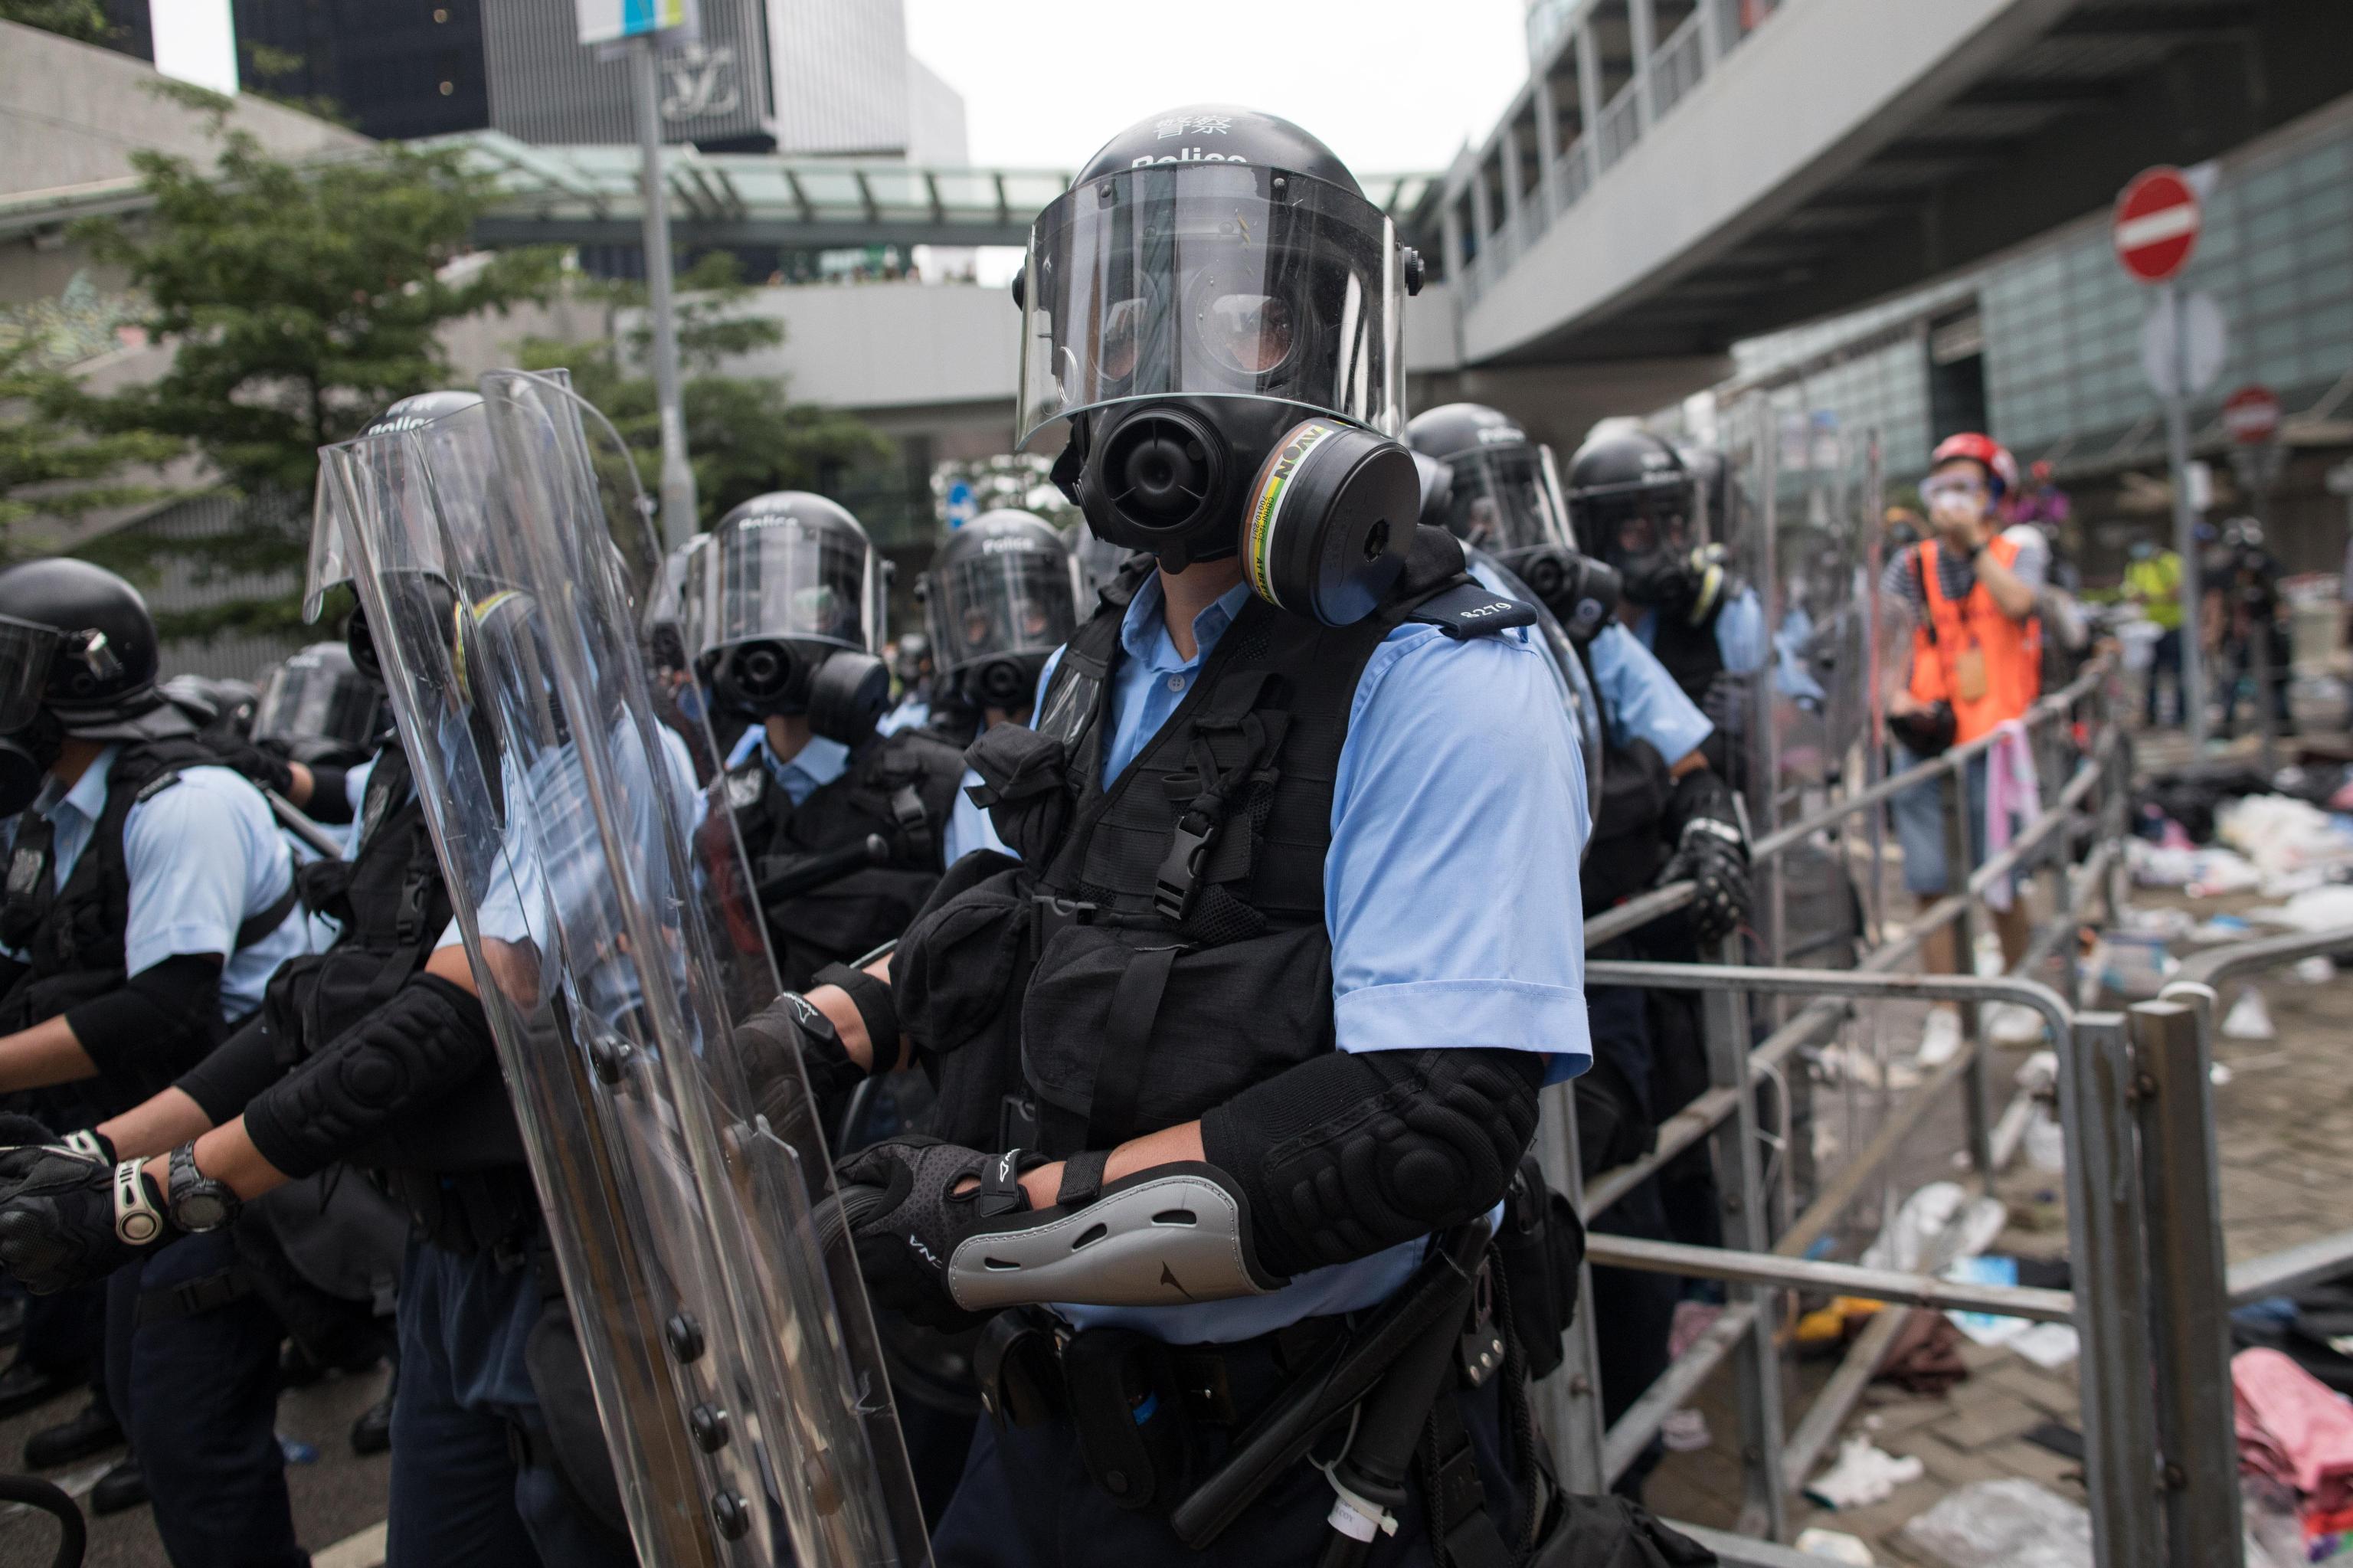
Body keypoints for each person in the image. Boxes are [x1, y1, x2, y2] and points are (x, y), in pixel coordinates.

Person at [746, 106, 1600, 1566]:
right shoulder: (1104, 652)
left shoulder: (1445, 670)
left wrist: (978, 1235)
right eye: (1124, 321)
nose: (1169, 370)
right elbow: (1007, 925)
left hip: (1300, 1453)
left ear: (1329, 351)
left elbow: (1427, 1119)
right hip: (1051, 1437)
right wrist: (805, 1032)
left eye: (1242, 320)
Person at [0, 392, 640, 1568]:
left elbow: (454, 1016)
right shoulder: (428, 761)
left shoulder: (597, 751)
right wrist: (104, 1157)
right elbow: (317, 1002)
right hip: (445, 1248)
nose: (380, 621)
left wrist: (173, 1190)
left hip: (574, 1253)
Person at [1407, 400, 1749, 1495]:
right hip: (1480, 989)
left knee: (1618, 1203)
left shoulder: (1590, 628)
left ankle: (1628, 1463)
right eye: (1481, 510)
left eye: (1522, 501)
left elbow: (1695, 756)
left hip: (1601, 980)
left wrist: (1702, 817)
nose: (1513, 533)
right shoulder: (1413, 643)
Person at [0, 556, 313, 1561]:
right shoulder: (51, 813)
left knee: (188, 1423)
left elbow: (165, 1006)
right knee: (146, 1390)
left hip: (232, 1127)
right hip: (141, 1130)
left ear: (75, 680)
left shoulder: (182, 801)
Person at [694, 491, 968, 991]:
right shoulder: (717, 810)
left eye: (809, 606)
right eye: (749, 608)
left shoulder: (945, 788)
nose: (772, 630)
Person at [1883, 432, 2046, 1058]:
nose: (1949, 499)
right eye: (1941, 486)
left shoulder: (2018, 547)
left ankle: (2023, 987)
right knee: (1928, 879)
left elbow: (2020, 603)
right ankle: (1946, 1010)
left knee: (2003, 878)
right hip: (1926, 741)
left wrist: (1974, 545)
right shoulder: (1910, 563)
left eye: (1965, 487)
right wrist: (1895, 698)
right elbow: (1887, 645)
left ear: (1993, 495)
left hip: (1996, 745)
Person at [1566, 424, 1767, 781]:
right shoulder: (1568, 631)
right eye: (1636, 533)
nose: (1666, 551)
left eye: (1674, 528)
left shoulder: (1727, 612)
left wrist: (1765, 714)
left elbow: (1798, 742)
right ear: (1593, 536)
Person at [923, 508, 1086, 866]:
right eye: (977, 621)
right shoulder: (932, 767)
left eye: (1029, 615)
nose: (1002, 635)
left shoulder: (1089, 746)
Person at [2211, 518, 2294, 741]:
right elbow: (2220, 601)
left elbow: (2280, 602)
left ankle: (2282, 722)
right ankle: (2228, 725)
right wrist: (2216, 632)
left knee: (2275, 678)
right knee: (2231, 680)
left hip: (2267, 633)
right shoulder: (2229, 572)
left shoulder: (2266, 567)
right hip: (2240, 636)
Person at [2123, 537, 2186, 728]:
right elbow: (2131, 594)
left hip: (2173, 626)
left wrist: (2151, 598)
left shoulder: (2170, 562)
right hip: (2147, 630)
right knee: (2150, 676)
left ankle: (2182, 716)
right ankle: (2150, 716)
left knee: (2178, 673)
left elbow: (2178, 591)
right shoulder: (2135, 567)